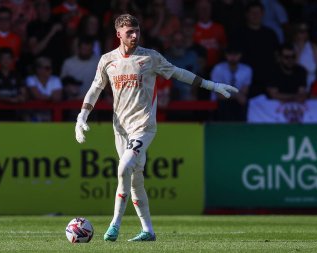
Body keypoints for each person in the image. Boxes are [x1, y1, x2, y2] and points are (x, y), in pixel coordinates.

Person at [74, 14, 238, 242]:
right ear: (118, 34)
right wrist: (82, 116)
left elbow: (180, 73)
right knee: (135, 178)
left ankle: (114, 225)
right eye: (129, 32)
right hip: (120, 128)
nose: (134, 35)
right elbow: (95, 88)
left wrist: (212, 85)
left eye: (137, 31)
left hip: (144, 125)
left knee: (124, 168)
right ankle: (148, 230)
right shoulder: (107, 60)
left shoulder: (150, 58)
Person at [210, 45, 252, 122]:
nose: (233, 57)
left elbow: (244, 91)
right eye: (230, 54)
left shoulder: (246, 69)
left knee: (245, 103)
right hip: (220, 103)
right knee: (225, 104)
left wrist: (238, 96)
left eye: (235, 54)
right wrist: (236, 95)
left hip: (238, 103)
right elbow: (218, 94)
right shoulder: (218, 68)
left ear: (240, 55)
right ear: (226, 55)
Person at [292, 21, 317, 89]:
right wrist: (299, 50)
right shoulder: (291, 47)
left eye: (306, 31)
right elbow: (293, 66)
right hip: (297, 81)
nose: (304, 34)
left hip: (313, 79)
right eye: (301, 31)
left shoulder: (314, 47)